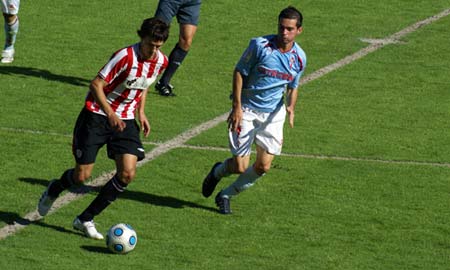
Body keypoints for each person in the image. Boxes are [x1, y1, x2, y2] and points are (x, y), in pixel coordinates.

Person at [37, 17, 170, 239]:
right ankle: (55, 188)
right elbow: (96, 84)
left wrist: (141, 112)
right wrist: (110, 114)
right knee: (81, 176)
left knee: (127, 173)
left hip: (125, 120)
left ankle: (85, 218)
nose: (153, 50)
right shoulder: (125, 56)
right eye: (150, 44)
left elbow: (144, 85)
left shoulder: (161, 61)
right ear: (141, 37)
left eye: (158, 46)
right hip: (97, 116)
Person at [202, 6, 307, 214]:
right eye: (281, 27)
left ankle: (226, 195)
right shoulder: (259, 46)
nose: (284, 33)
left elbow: (293, 86)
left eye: (289, 29)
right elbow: (239, 71)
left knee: (263, 167)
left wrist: (291, 107)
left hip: (274, 114)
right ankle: (218, 171)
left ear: (298, 31)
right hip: (247, 109)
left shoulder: (300, 58)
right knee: (240, 166)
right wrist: (237, 107)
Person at [153, 0, 201, 96]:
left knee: (186, 41)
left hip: (192, 2)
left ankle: (164, 82)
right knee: (156, 36)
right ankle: (140, 74)